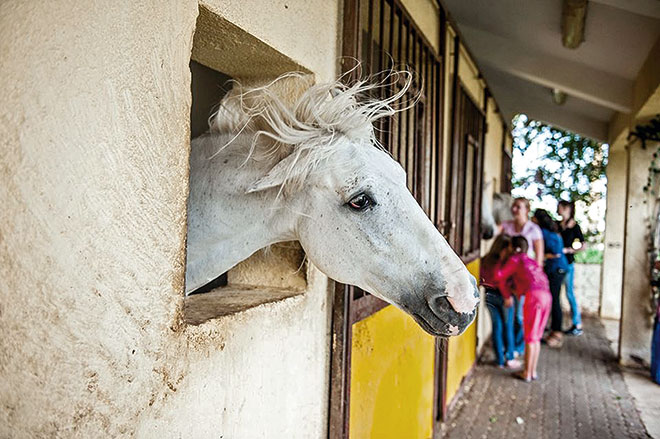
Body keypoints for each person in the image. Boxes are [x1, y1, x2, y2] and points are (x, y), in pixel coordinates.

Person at [498, 236, 552, 382]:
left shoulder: (516, 259)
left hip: (533, 296)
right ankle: (532, 371)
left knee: (529, 336)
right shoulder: (531, 261)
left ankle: (526, 373)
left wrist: (506, 294)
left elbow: (499, 275)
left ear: (511, 247)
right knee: (536, 337)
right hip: (547, 295)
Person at [500, 197, 543, 352]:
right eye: (514, 206)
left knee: (520, 315)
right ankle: (509, 347)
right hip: (509, 277)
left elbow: (538, 259)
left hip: (525, 280)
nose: (515, 209)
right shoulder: (507, 226)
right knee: (509, 315)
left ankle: (519, 347)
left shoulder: (534, 230)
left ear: (527, 210)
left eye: (519, 207)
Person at [480, 234, 522, 369]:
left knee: (497, 327)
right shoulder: (503, 262)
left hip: (488, 295)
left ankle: (499, 360)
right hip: (503, 296)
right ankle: (509, 357)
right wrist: (507, 296)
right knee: (508, 326)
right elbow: (500, 279)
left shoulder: (485, 259)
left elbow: (482, 278)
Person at [533, 209, 569, 348]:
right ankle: (554, 330)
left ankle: (557, 333)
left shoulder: (543, 233)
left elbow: (555, 254)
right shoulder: (551, 232)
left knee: (554, 301)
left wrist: (541, 257)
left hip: (556, 269)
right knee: (553, 300)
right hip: (558, 269)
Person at [557, 200, 584, 336]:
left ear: (567, 209)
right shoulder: (557, 225)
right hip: (556, 263)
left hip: (567, 263)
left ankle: (577, 323)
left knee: (569, 293)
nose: (559, 209)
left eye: (561, 207)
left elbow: (582, 245)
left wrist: (569, 250)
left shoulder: (574, 226)